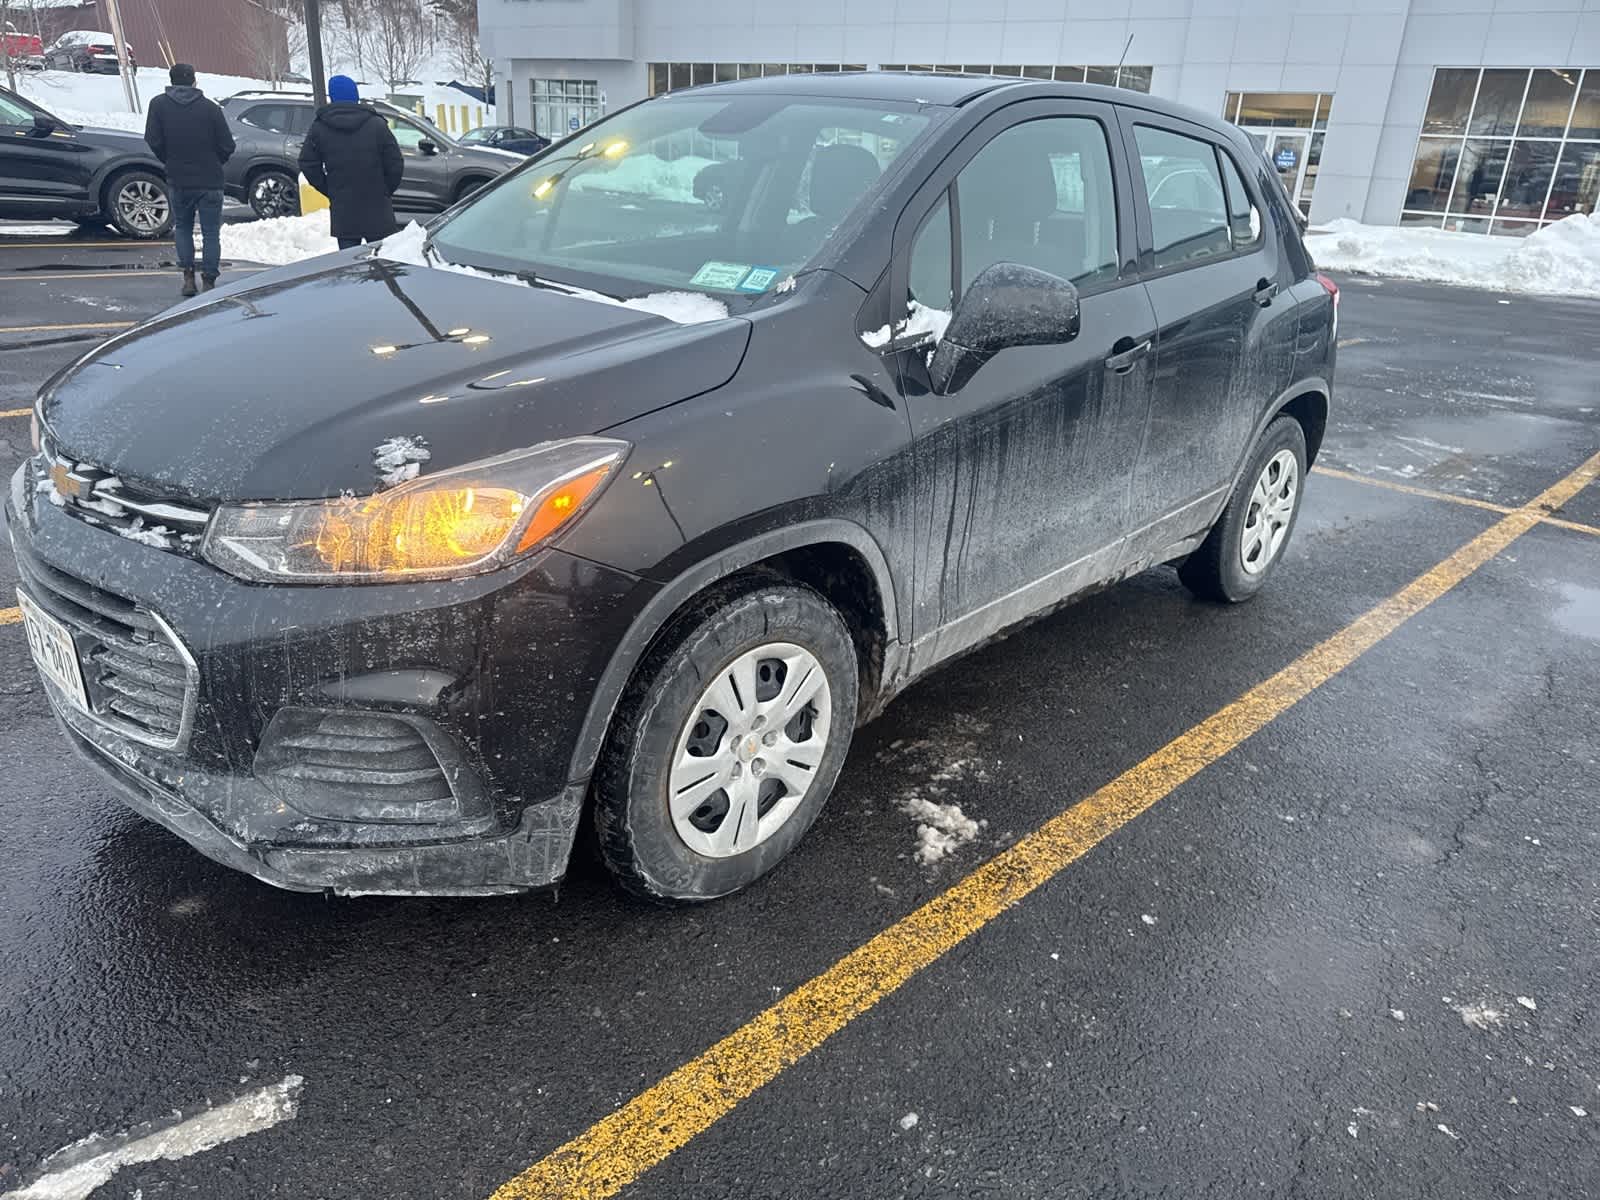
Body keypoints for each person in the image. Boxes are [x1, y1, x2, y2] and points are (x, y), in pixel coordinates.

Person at [144, 63, 234, 297]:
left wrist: (169, 159)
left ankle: (188, 277)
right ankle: (210, 280)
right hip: (210, 179)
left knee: (183, 228)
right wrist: (215, 161)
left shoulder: (158, 105)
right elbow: (227, 145)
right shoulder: (210, 108)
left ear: (171, 81)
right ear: (194, 81)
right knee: (211, 233)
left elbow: (153, 139)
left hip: (178, 178)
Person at [298, 75, 404, 250]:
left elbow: (307, 163)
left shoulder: (320, 127)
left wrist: (329, 189)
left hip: (344, 210)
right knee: (382, 259)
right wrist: (385, 190)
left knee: (350, 261)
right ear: (355, 95)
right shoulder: (377, 124)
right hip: (378, 208)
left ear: (332, 97)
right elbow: (395, 163)